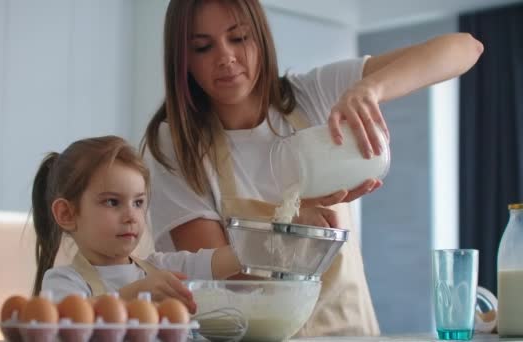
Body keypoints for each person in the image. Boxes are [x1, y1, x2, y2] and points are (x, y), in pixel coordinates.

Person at [142, 0, 484, 336]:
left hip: (350, 331)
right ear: (182, 60)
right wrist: (289, 231)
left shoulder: (313, 96)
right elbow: (222, 282)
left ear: (260, 36)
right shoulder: (178, 144)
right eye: (202, 47)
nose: (225, 57)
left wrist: (369, 88)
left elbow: (465, 48)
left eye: (239, 37)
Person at [31, 135, 240, 312]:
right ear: (66, 214)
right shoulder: (64, 282)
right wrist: (135, 294)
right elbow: (73, 321)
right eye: (112, 202)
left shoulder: (159, 267)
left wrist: (262, 246)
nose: (131, 216)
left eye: (138, 202)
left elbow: (218, 261)